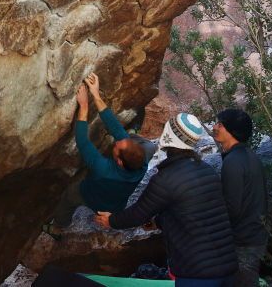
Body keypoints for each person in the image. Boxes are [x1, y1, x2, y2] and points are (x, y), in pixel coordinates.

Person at [95, 113, 238, 287]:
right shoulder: (206, 170)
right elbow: (191, 210)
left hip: (197, 273)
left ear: (168, 136)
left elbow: (137, 214)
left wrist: (110, 220)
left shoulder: (166, 179)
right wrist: (157, 222)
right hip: (228, 266)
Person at [42, 73, 155, 240]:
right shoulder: (142, 163)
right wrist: (95, 93)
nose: (116, 142)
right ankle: (133, 134)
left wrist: (84, 106)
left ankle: (59, 227)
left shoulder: (102, 168)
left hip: (90, 195)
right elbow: (115, 128)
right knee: (151, 146)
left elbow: (82, 142)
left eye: (117, 147)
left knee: (69, 197)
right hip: (115, 205)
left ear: (119, 161)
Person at [213, 109, 268, 287]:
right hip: (254, 236)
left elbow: (231, 208)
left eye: (219, 124)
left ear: (231, 130)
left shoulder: (233, 162)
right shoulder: (249, 156)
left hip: (243, 242)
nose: (214, 127)